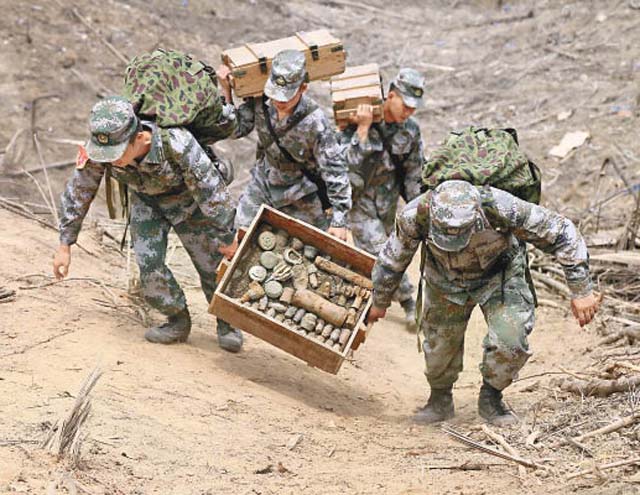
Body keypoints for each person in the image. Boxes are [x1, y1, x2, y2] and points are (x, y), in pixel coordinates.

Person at [368, 180, 600, 425]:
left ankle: (491, 397)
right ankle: (439, 399)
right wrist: (379, 301)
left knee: (511, 339)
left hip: (499, 274)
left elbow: (563, 232)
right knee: (439, 346)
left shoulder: (503, 207)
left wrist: (581, 290)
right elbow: (391, 261)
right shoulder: (414, 216)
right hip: (445, 279)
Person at [53, 96, 243, 352]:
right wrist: (65, 242)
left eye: (117, 153)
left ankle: (228, 322)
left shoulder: (176, 143)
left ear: (140, 138)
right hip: (146, 202)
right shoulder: (101, 149)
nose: (111, 160)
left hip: (189, 203)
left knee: (210, 264)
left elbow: (211, 190)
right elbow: (80, 189)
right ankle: (176, 318)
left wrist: (228, 236)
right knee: (148, 264)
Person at [217, 49, 351, 243]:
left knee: (307, 250)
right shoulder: (261, 102)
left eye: (286, 96)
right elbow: (233, 130)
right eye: (275, 93)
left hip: (301, 194)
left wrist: (339, 220)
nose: (279, 101)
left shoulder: (315, 121)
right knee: (238, 237)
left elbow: (335, 170)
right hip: (264, 182)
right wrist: (226, 92)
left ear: (303, 88)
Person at [339, 68, 426, 331]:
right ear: (390, 96)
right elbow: (345, 165)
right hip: (359, 202)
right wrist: (362, 130)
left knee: (393, 249)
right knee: (381, 251)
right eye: (406, 105)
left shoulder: (410, 131)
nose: (409, 112)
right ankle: (408, 301)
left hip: (387, 203)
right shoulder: (355, 119)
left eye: (414, 107)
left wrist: (419, 209)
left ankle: (398, 298)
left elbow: (414, 172)